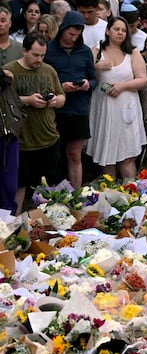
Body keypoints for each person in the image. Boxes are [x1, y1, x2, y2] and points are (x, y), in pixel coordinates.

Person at [5, 32, 65, 213]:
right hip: (22, 141)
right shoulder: (9, 71)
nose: (39, 59)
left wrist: (55, 100)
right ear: (24, 50)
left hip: (48, 137)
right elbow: (5, 101)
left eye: (42, 55)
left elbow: (62, 97)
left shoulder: (49, 70)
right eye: (35, 55)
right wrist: (28, 100)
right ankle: (12, 223)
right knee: (19, 185)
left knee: (51, 186)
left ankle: (50, 221)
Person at [87, 17, 147, 180]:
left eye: (123, 30)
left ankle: (130, 192)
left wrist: (122, 86)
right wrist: (96, 66)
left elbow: (142, 79)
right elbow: (85, 73)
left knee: (127, 155)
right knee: (107, 155)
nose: (120, 32)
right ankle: (110, 196)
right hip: (104, 107)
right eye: (116, 29)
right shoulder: (96, 49)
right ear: (108, 31)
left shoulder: (132, 51)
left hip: (126, 105)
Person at [43, 11, 96, 188]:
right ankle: (52, 193)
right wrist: (60, 87)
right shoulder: (49, 49)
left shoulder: (85, 51)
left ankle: (76, 193)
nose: (73, 38)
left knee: (75, 153)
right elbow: (42, 78)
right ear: (63, 29)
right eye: (70, 33)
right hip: (55, 109)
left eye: (77, 34)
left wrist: (88, 84)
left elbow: (94, 78)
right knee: (53, 154)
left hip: (78, 107)